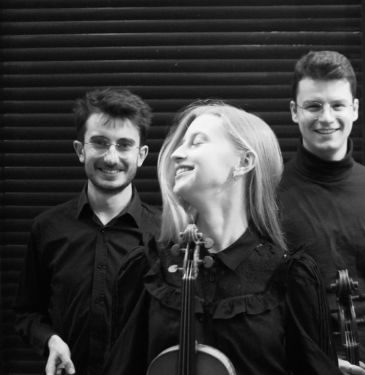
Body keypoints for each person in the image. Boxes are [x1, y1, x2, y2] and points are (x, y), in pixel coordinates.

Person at [143, 101, 339, 374]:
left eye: (196, 142)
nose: (176, 154)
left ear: (244, 162)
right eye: (180, 144)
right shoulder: (153, 267)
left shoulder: (288, 276)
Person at [278, 50, 365, 375]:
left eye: (338, 105)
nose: (327, 117)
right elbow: (267, 307)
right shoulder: (270, 196)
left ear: (354, 109)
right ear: (294, 112)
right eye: (314, 106)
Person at [14, 88, 159, 375]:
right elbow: (27, 315)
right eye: (100, 143)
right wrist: (50, 341)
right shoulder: (48, 227)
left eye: (124, 145)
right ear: (81, 150)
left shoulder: (166, 233)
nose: (111, 157)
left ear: (141, 155)